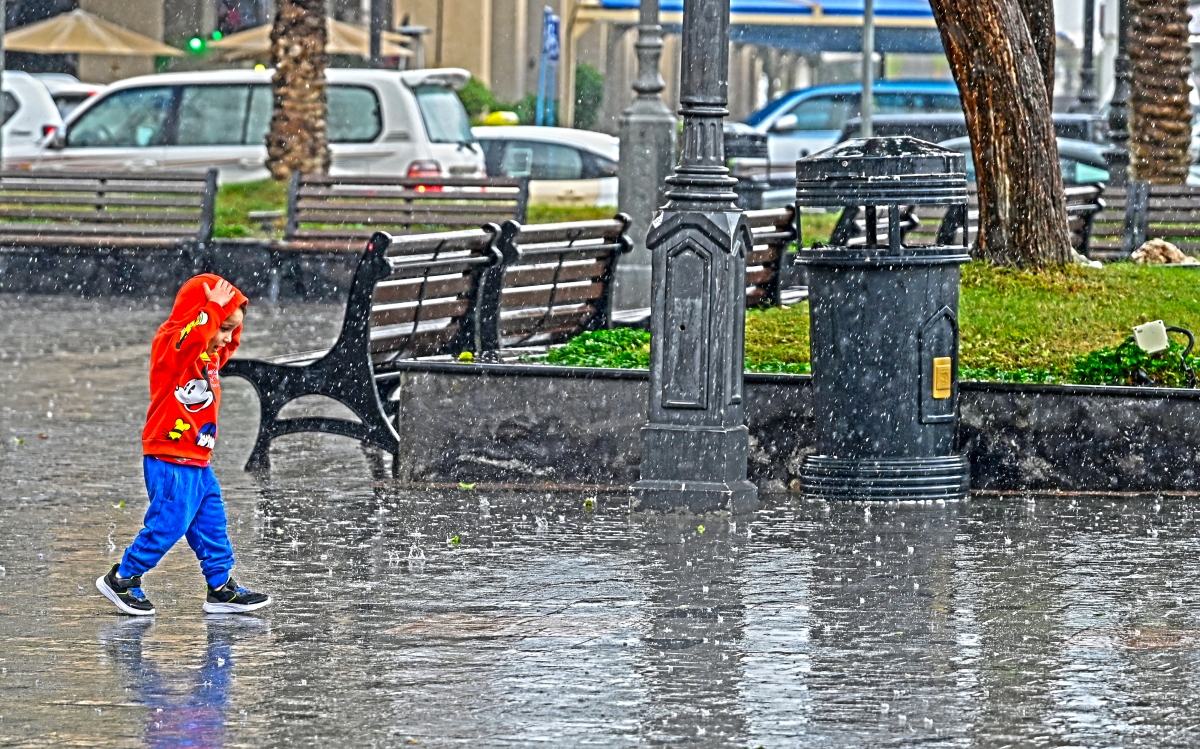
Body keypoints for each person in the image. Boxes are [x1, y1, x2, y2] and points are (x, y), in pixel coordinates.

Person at [96, 275, 271, 616]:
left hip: (198, 460)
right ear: (198, 317)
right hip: (170, 455)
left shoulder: (208, 357)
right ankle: (122, 578)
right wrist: (212, 308)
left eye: (231, 330)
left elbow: (223, 342)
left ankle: (220, 588)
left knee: (212, 524)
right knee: (169, 523)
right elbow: (193, 338)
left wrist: (230, 313)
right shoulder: (172, 346)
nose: (225, 339)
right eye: (222, 328)